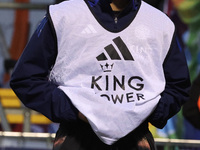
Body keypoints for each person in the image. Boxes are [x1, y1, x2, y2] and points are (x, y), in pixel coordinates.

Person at [10, 0, 191, 149]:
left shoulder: (160, 23)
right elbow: (26, 79)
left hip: (136, 140)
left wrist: (146, 115)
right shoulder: (64, 15)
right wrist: (73, 111)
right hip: (76, 137)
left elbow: (178, 86)